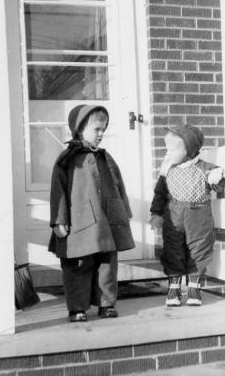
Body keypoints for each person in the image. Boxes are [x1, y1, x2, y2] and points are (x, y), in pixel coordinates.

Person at [49, 105, 135, 322]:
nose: (101, 134)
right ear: (80, 129)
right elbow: (57, 191)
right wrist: (59, 220)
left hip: (106, 221)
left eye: (104, 129)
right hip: (79, 224)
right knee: (78, 265)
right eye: (97, 129)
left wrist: (123, 211)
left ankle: (107, 304)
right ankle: (77, 307)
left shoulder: (106, 157)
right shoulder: (67, 159)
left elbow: (119, 184)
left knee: (107, 264)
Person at [149, 124, 225, 307]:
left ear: (189, 149)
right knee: (173, 250)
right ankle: (174, 288)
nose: (168, 153)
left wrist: (218, 176)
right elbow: (160, 193)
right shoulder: (167, 169)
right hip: (173, 216)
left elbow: (218, 183)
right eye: (166, 148)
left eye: (172, 149)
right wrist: (156, 213)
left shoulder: (204, 168)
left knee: (198, 250)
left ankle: (193, 288)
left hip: (198, 216)